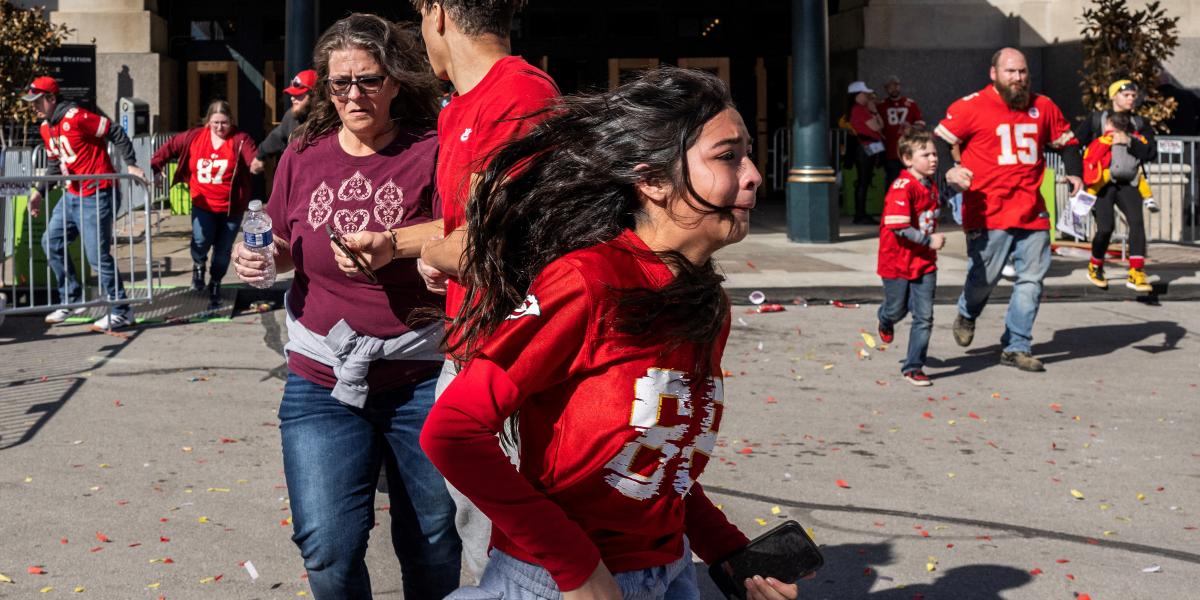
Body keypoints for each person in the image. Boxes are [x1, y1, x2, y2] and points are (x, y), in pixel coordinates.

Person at [419, 67, 796, 600]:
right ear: (653, 181)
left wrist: (731, 554)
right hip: (559, 585)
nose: (754, 174)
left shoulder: (707, 301)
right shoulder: (586, 282)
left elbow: (658, 461)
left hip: (672, 575)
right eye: (727, 156)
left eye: (748, 154)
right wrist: (576, 566)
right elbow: (451, 432)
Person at [230, 14, 460, 599]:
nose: (353, 95)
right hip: (321, 379)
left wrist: (395, 245)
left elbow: (464, 229)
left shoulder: (432, 151)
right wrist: (260, 258)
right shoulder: (303, 155)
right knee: (327, 548)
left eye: (368, 80)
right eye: (340, 84)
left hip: (421, 377)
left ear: (397, 81)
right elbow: (285, 242)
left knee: (433, 546)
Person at [383, 0, 558, 581]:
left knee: (504, 554)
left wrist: (439, 256)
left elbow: (490, 242)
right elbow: (462, 223)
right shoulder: (461, 104)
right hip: (468, 344)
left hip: (507, 358)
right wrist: (390, 243)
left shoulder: (520, 96)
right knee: (477, 536)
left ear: (436, 13)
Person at [936, 48, 1084, 373]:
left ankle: (1017, 345)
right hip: (988, 210)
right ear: (994, 74)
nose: (1018, 78)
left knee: (1031, 280)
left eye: (1022, 72)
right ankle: (967, 311)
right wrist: (950, 169)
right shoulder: (971, 105)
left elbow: (1069, 143)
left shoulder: (1043, 106)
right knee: (984, 277)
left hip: (1032, 211)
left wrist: (1075, 172)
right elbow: (939, 139)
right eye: (1010, 72)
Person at [24, 76, 145, 331]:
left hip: (97, 193)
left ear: (51, 99)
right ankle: (72, 298)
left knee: (97, 257)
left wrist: (131, 164)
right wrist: (39, 192)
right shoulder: (47, 128)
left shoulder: (76, 116)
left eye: (37, 101)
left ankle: (122, 310)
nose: (33, 107)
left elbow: (114, 131)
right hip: (71, 194)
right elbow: (56, 165)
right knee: (51, 241)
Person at [151, 100, 258, 307]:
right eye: (215, 123)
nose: (220, 128)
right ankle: (198, 265)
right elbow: (169, 147)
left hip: (231, 207)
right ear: (207, 121)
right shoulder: (194, 137)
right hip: (203, 204)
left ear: (231, 122)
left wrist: (256, 164)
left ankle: (216, 282)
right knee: (201, 241)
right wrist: (156, 166)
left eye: (224, 123)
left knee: (223, 249)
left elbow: (252, 158)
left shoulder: (240, 139)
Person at [877, 128, 944, 387]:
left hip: (925, 263)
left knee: (924, 316)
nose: (933, 159)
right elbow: (898, 226)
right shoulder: (902, 186)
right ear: (907, 158)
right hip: (896, 263)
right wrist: (929, 240)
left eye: (935, 154)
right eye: (925, 154)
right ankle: (885, 317)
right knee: (897, 309)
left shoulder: (931, 185)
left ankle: (913, 366)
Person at [1081, 111, 1156, 292]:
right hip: (1104, 184)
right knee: (1106, 227)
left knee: (1137, 223)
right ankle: (1096, 264)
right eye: (1126, 95)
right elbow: (1088, 153)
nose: (1131, 98)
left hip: (1128, 183)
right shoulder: (1098, 121)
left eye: (1133, 94)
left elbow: (1149, 152)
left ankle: (1136, 271)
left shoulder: (1138, 126)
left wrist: (1129, 141)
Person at [250, 69, 316, 175]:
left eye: (299, 95)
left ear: (315, 96)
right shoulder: (291, 116)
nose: (292, 99)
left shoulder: (328, 121)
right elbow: (277, 136)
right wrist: (260, 156)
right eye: (292, 94)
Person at [844, 81, 884, 224]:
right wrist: (874, 113)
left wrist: (874, 113)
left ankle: (861, 213)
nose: (868, 97)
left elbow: (880, 126)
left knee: (865, 180)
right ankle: (860, 214)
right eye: (865, 94)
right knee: (863, 181)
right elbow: (876, 127)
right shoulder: (859, 109)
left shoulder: (863, 108)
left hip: (868, 147)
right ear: (857, 95)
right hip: (864, 147)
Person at [876, 75, 926, 188]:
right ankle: (892, 204)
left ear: (900, 87)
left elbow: (921, 124)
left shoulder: (911, 104)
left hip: (908, 149)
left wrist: (911, 127)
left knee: (910, 180)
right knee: (892, 181)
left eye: (896, 86)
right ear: (886, 89)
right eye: (890, 87)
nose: (894, 89)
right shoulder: (881, 105)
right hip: (890, 150)